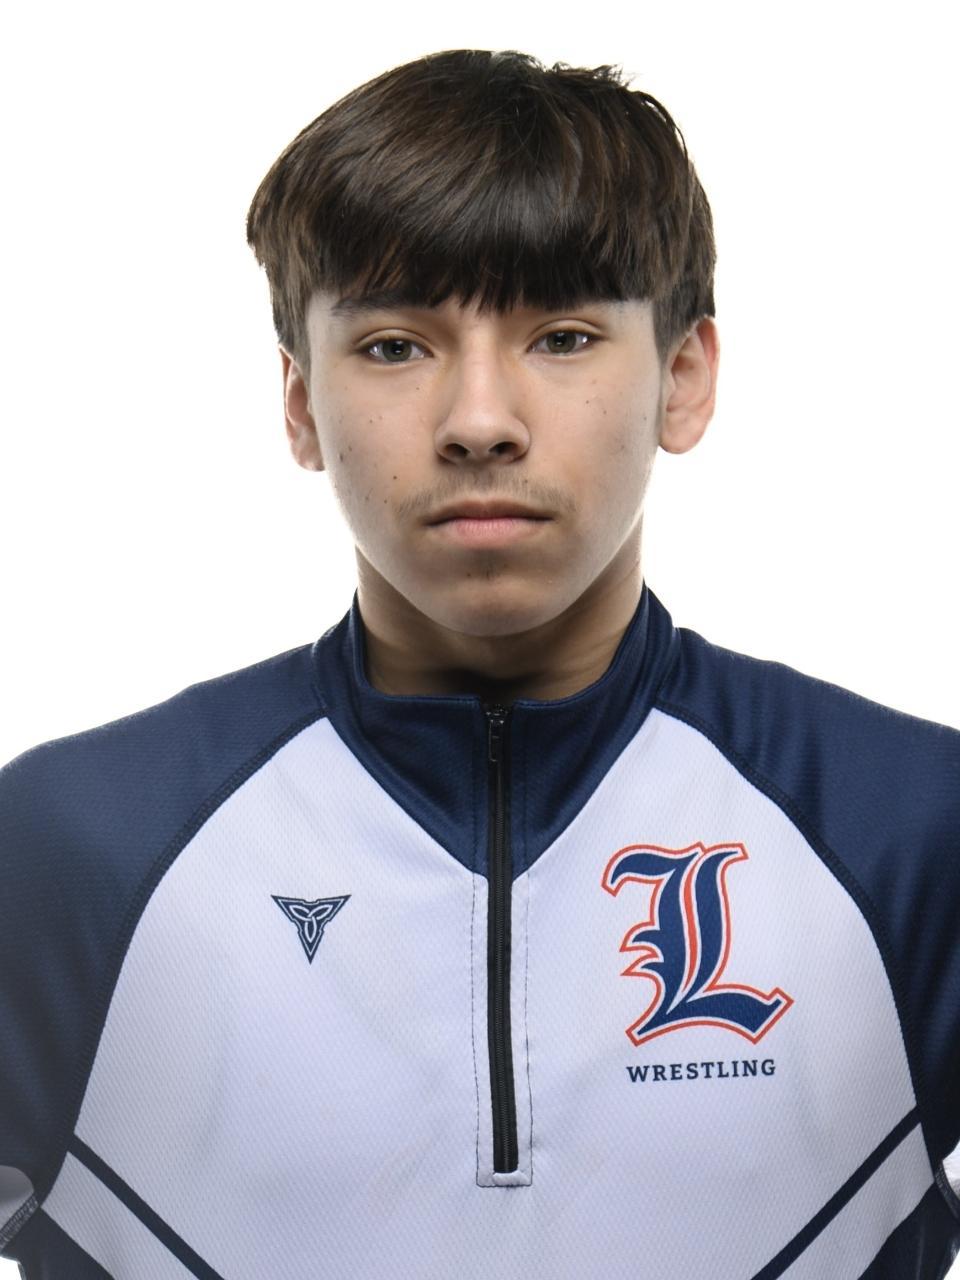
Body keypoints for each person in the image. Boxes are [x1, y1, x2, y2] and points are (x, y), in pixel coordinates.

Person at [1, 46, 958, 1280]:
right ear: (298, 403)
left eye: (561, 334)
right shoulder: (74, 845)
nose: (480, 420)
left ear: (683, 376)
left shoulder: (909, 832)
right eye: (396, 345)